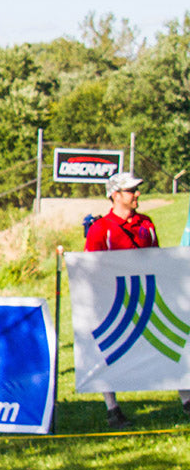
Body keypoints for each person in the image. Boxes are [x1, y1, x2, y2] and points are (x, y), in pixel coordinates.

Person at [83, 170, 190, 426]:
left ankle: (186, 399)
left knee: (172, 341)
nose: (137, 194)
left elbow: (157, 259)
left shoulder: (147, 224)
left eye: (136, 189)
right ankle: (113, 408)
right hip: (114, 301)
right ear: (115, 195)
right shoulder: (101, 229)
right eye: (131, 190)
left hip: (149, 297)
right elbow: (90, 269)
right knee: (107, 351)